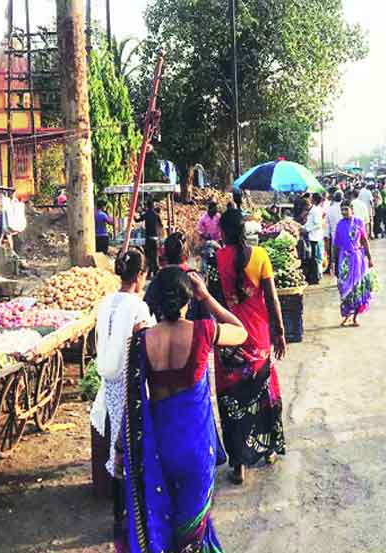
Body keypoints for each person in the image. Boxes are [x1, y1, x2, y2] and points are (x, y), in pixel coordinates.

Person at [122, 267, 247, 553]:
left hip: (159, 448)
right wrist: (207, 297)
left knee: (165, 523)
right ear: (188, 299)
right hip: (196, 447)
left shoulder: (142, 340)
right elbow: (241, 331)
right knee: (191, 529)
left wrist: (120, 448)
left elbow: (132, 399)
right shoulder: (203, 331)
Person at [215, 208, 287, 485]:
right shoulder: (260, 256)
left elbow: (212, 303)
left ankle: (239, 464)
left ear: (223, 232)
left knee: (231, 400)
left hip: (229, 340)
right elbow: (272, 299)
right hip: (258, 340)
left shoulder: (215, 260)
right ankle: (267, 449)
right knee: (263, 394)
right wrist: (279, 332)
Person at [92, 248, 153, 549]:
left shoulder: (106, 302)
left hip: (108, 383)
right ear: (140, 276)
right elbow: (145, 348)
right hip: (129, 385)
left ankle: (119, 514)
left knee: (118, 446)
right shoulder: (139, 307)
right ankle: (129, 514)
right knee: (130, 449)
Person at [333, 200, 374, 327]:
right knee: (344, 288)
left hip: (358, 259)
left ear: (352, 209)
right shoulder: (339, 225)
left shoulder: (358, 223)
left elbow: (364, 241)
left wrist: (370, 258)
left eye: (346, 209)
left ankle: (355, 317)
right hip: (344, 261)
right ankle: (347, 316)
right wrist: (333, 262)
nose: (344, 212)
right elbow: (335, 246)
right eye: (342, 210)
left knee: (358, 288)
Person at [138, 200, 163, 278]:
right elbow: (161, 225)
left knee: (148, 256)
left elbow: (137, 220)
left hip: (148, 239)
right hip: (156, 239)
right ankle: (156, 273)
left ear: (147, 206)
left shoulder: (146, 214)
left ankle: (148, 272)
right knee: (155, 256)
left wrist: (139, 214)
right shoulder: (157, 215)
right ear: (153, 206)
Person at [304, 192, 325, 282]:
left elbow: (318, 224)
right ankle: (315, 276)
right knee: (313, 258)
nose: (310, 199)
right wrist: (303, 227)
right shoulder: (313, 210)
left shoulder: (315, 211)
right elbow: (310, 223)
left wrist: (307, 229)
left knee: (315, 258)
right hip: (313, 236)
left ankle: (316, 277)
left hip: (315, 237)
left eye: (311, 198)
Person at [325, 191, 344, 276]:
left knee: (336, 256)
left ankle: (338, 274)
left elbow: (327, 225)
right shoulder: (344, 208)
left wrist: (327, 237)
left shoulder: (330, 209)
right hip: (345, 234)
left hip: (334, 235)